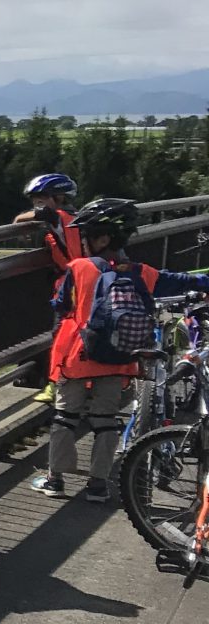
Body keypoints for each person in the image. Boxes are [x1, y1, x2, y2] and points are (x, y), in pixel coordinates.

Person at [34, 198, 209, 503]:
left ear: (101, 239)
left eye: (86, 237)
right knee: (106, 420)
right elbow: (180, 281)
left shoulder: (79, 268)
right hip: (119, 357)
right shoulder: (142, 272)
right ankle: (98, 486)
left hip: (78, 356)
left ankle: (55, 480)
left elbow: (60, 304)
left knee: (66, 417)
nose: (83, 243)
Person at [14, 172, 83, 402]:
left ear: (59, 198)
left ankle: (56, 385)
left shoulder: (56, 216)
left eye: (41, 198)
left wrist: (18, 221)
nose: (37, 204)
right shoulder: (78, 217)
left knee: (61, 335)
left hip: (71, 286)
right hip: (86, 281)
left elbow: (32, 217)